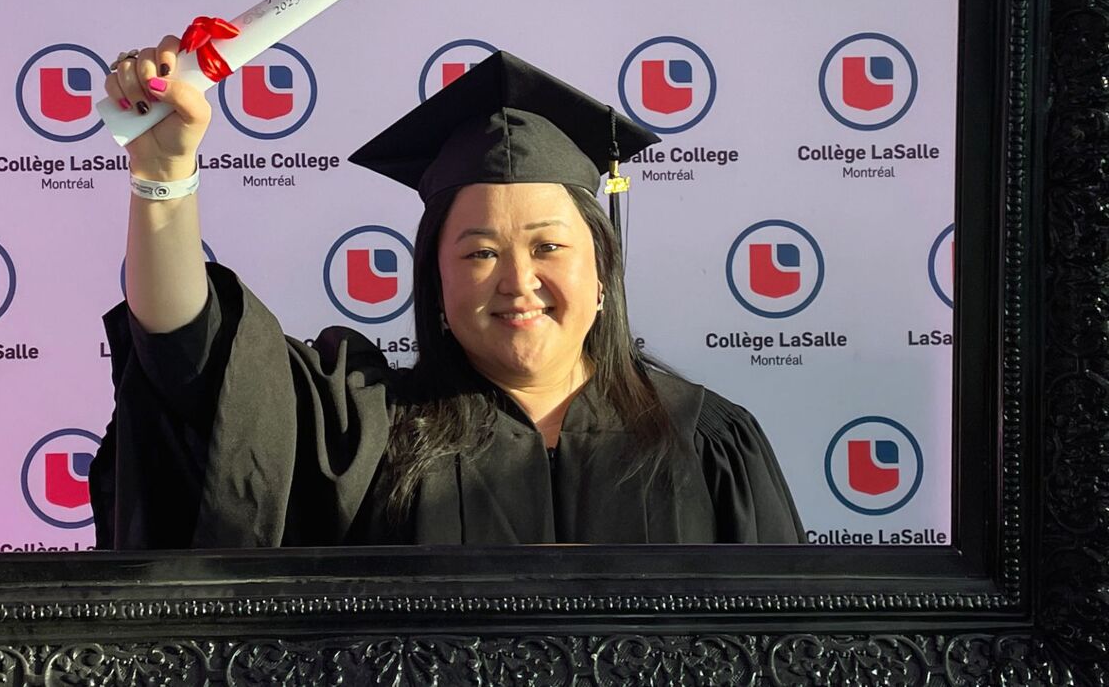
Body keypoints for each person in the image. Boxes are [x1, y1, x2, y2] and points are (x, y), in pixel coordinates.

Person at [90, 45, 804, 548]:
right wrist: (164, 172)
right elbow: (196, 363)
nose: (518, 281)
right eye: (480, 252)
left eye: (549, 246)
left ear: (603, 273)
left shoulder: (708, 444)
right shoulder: (367, 433)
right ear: (436, 283)